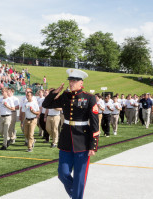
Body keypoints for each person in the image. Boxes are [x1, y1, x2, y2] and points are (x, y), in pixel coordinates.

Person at [42, 69, 99, 199]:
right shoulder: (65, 96)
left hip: (83, 140)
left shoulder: (89, 98)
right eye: (70, 80)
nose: (71, 83)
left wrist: (93, 145)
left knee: (80, 177)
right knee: (62, 173)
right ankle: (76, 195)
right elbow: (46, 104)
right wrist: (55, 92)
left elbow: (95, 123)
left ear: (81, 83)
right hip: (66, 138)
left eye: (74, 81)